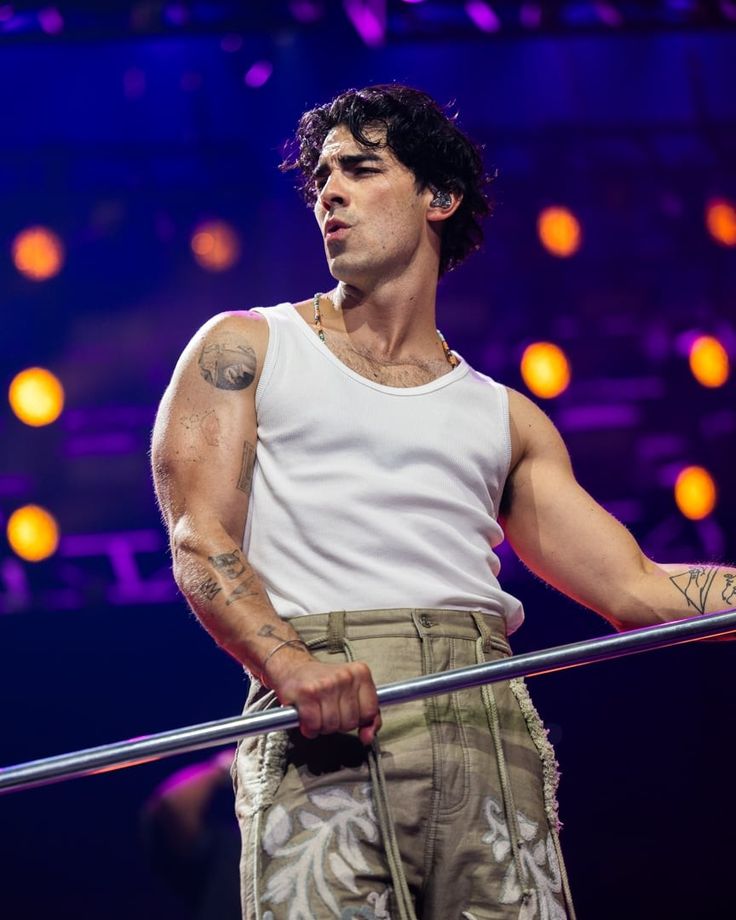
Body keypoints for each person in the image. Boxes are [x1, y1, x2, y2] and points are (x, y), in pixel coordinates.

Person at [151, 84, 734, 920]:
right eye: (321, 177)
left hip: (485, 722)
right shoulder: (246, 345)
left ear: (438, 197)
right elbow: (200, 536)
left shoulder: (503, 415)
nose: (329, 192)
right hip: (324, 717)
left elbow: (637, 588)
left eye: (360, 167)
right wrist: (291, 666)